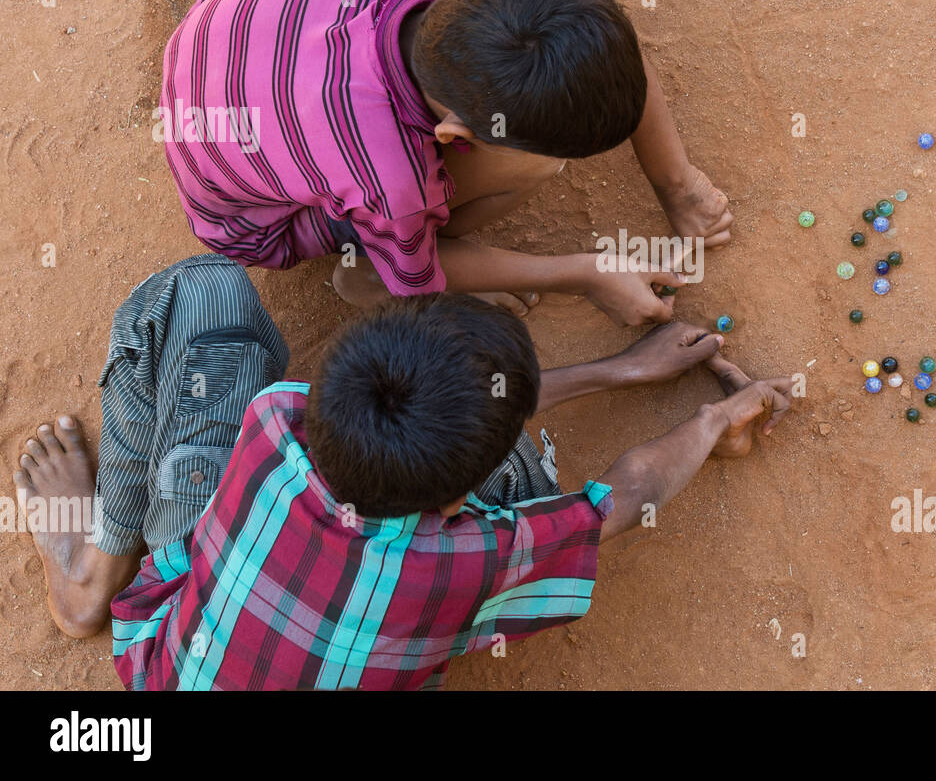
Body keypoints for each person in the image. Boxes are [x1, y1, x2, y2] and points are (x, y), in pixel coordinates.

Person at [14, 255, 794, 689]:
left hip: (163, 669)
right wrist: (711, 418)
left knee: (203, 290)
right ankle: (89, 580)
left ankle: (100, 561)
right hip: (398, 580)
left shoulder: (276, 418)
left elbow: (443, 427)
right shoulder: (462, 562)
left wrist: (623, 371)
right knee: (525, 474)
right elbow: (622, 499)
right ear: (456, 502)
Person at [160, 0, 732, 326]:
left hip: (254, 19)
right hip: (257, 217)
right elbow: (421, 261)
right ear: (454, 136)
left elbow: (597, 30)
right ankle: (366, 275)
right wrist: (587, 273)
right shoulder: (388, 175)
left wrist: (678, 185)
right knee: (534, 161)